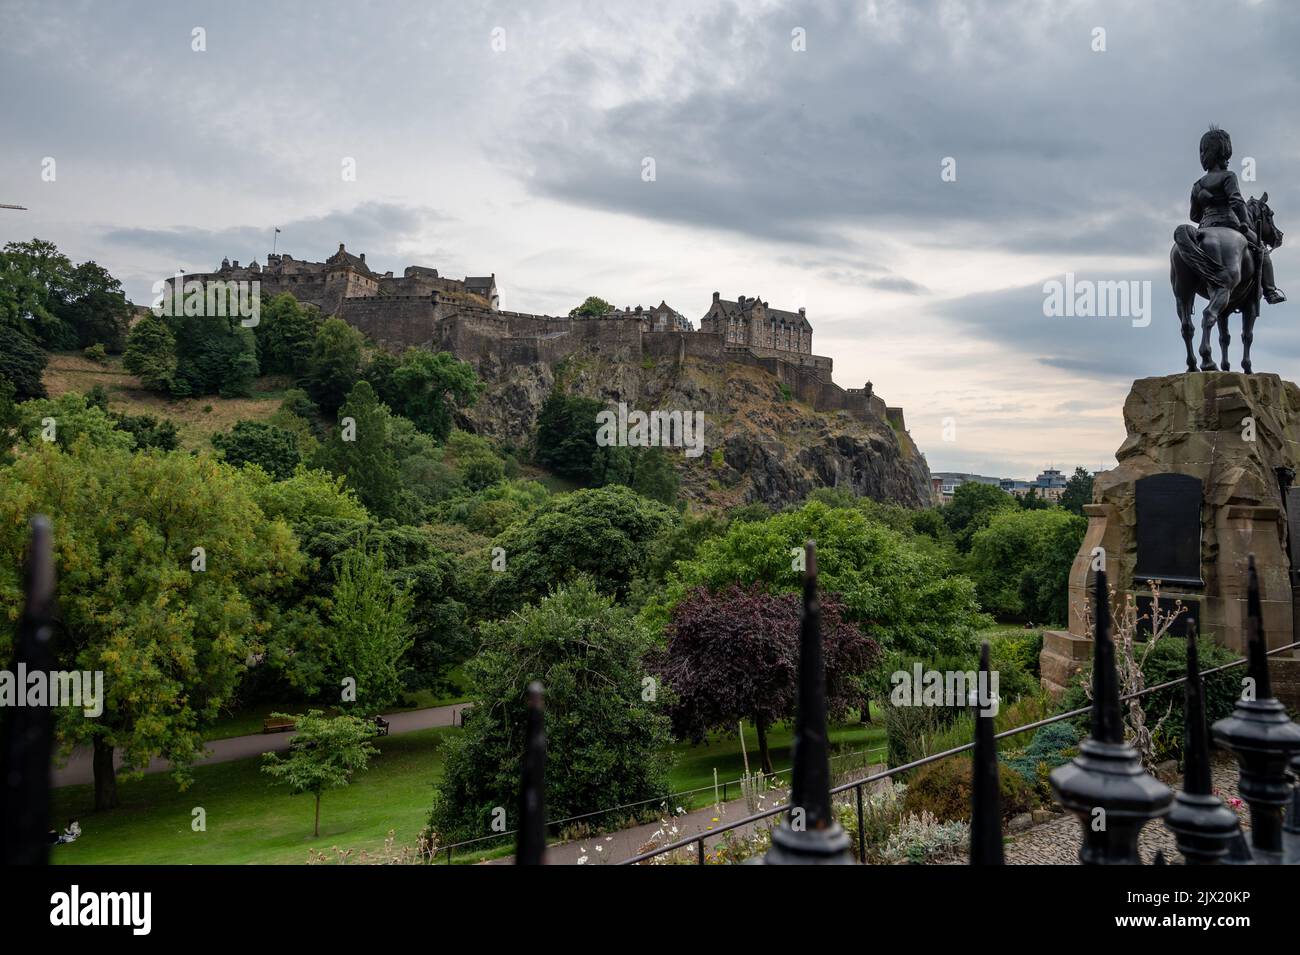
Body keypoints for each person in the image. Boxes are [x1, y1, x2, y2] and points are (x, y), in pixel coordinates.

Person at [1190, 127, 1285, 304]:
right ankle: (1270, 291)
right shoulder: (1228, 176)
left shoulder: (1197, 185)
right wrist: (1245, 222)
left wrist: (1208, 206)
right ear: (1224, 153)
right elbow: (1236, 202)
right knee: (1262, 251)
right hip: (1229, 224)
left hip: (1204, 227)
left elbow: (1194, 215)